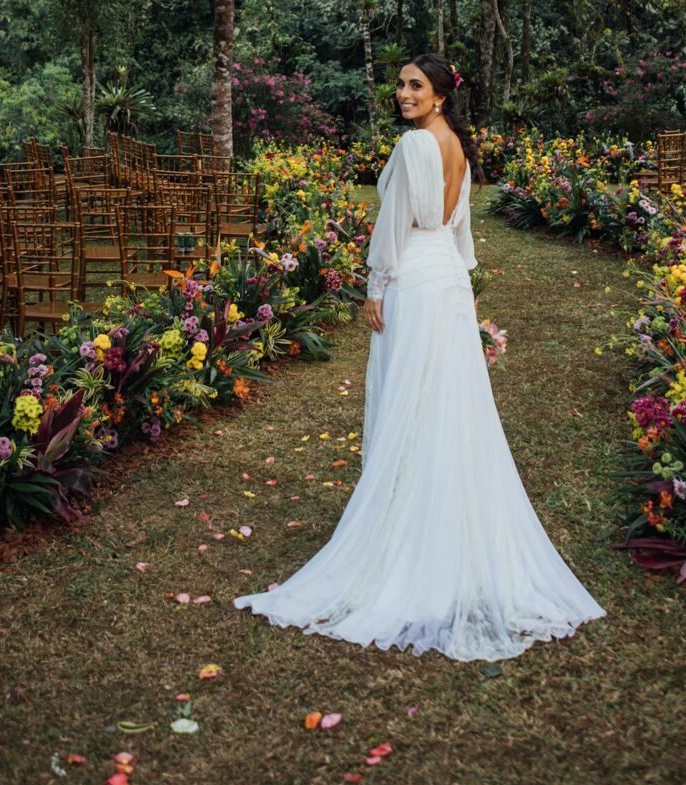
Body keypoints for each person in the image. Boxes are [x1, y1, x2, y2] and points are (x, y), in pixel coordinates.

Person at [234, 53, 605, 661]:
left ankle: (404, 530)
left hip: (414, 280)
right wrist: (458, 282)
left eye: (416, 85)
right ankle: (443, 528)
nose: (403, 93)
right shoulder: (456, 143)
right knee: (448, 404)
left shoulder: (414, 146)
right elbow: (460, 233)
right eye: (402, 84)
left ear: (439, 95)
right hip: (448, 285)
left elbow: (394, 226)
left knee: (412, 397)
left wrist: (376, 287)